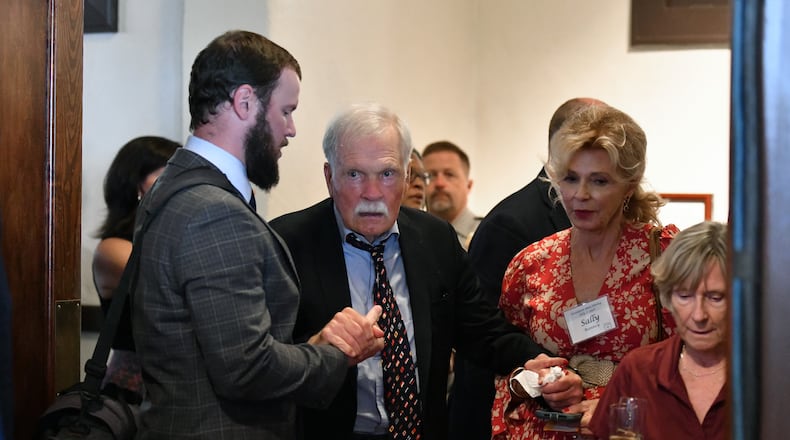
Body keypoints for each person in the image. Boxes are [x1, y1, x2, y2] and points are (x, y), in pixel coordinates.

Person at [131, 30, 384, 439]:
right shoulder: (213, 211)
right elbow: (246, 368)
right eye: (286, 111)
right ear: (245, 101)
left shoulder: (173, 187)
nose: (291, 129)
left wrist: (312, 347)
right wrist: (338, 354)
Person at [270, 103, 554, 439]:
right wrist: (317, 348)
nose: (372, 193)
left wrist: (538, 361)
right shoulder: (287, 243)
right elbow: (263, 361)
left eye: (387, 174)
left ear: (407, 177)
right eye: (355, 174)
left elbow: (482, 332)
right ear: (330, 177)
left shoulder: (434, 239)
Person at [490, 104, 679, 439]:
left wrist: (620, 398)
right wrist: (531, 379)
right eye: (571, 179)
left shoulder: (664, 257)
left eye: (599, 181)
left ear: (629, 185)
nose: (581, 195)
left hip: (628, 430)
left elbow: (696, 361)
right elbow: (506, 364)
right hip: (545, 431)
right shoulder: (531, 263)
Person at [449, 98, 603, 440]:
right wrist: (554, 373)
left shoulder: (622, 230)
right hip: (512, 415)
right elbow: (484, 333)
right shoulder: (511, 223)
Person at [589, 221, 728, 439]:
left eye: (715, 297)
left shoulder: (771, 376)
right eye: (685, 296)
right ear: (668, 298)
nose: (699, 315)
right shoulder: (638, 371)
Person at [92, 135, 180, 402]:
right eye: (169, 175)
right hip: (131, 392)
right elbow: (174, 278)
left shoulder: (169, 238)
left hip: (175, 388)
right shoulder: (112, 249)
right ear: (136, 185)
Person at [422, 140, 481, 249]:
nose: (439, 183)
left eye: (449, 174)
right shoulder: (408, 235)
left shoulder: (487, 233)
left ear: (468, 186)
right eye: (430, 176)